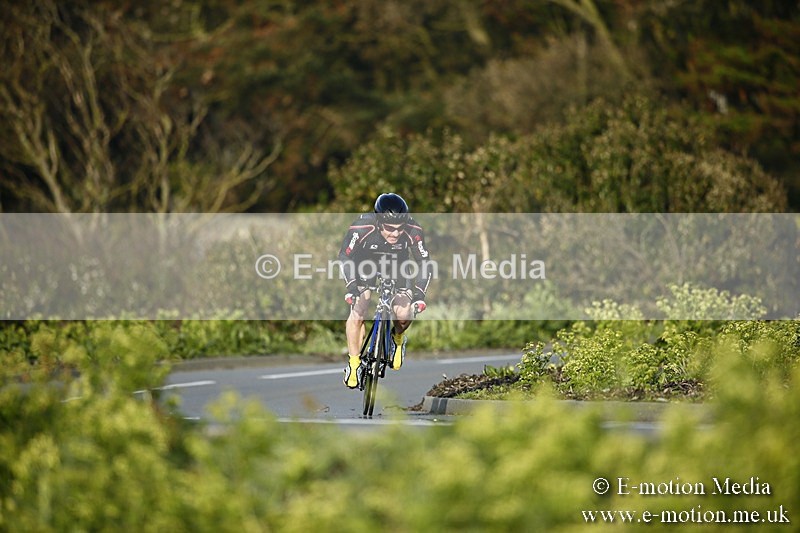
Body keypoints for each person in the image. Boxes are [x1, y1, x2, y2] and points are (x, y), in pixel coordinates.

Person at [338, 193, 431, 388]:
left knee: (404, 313)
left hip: (397, 267)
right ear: (379, 223)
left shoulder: (413, 230)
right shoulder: (361, 227)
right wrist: (351, 287)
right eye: (389, 229)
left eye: (399, 229)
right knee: (359, 309)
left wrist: (419, 295)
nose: (395, 234)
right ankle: (354, 364)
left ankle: (397, 339)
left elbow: (424, 263)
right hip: (365, 265)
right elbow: (345, 257)